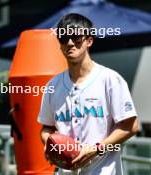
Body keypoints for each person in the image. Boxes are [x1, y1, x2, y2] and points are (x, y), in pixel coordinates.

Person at [37, 13, 139, 175]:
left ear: (89, 40)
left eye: (76, 37)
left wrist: (97, 149)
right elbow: (47, 128)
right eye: (64, 38)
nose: (70, 43)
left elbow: (131, 126)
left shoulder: (110, 80)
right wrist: (51, 146)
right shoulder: (53, 85)